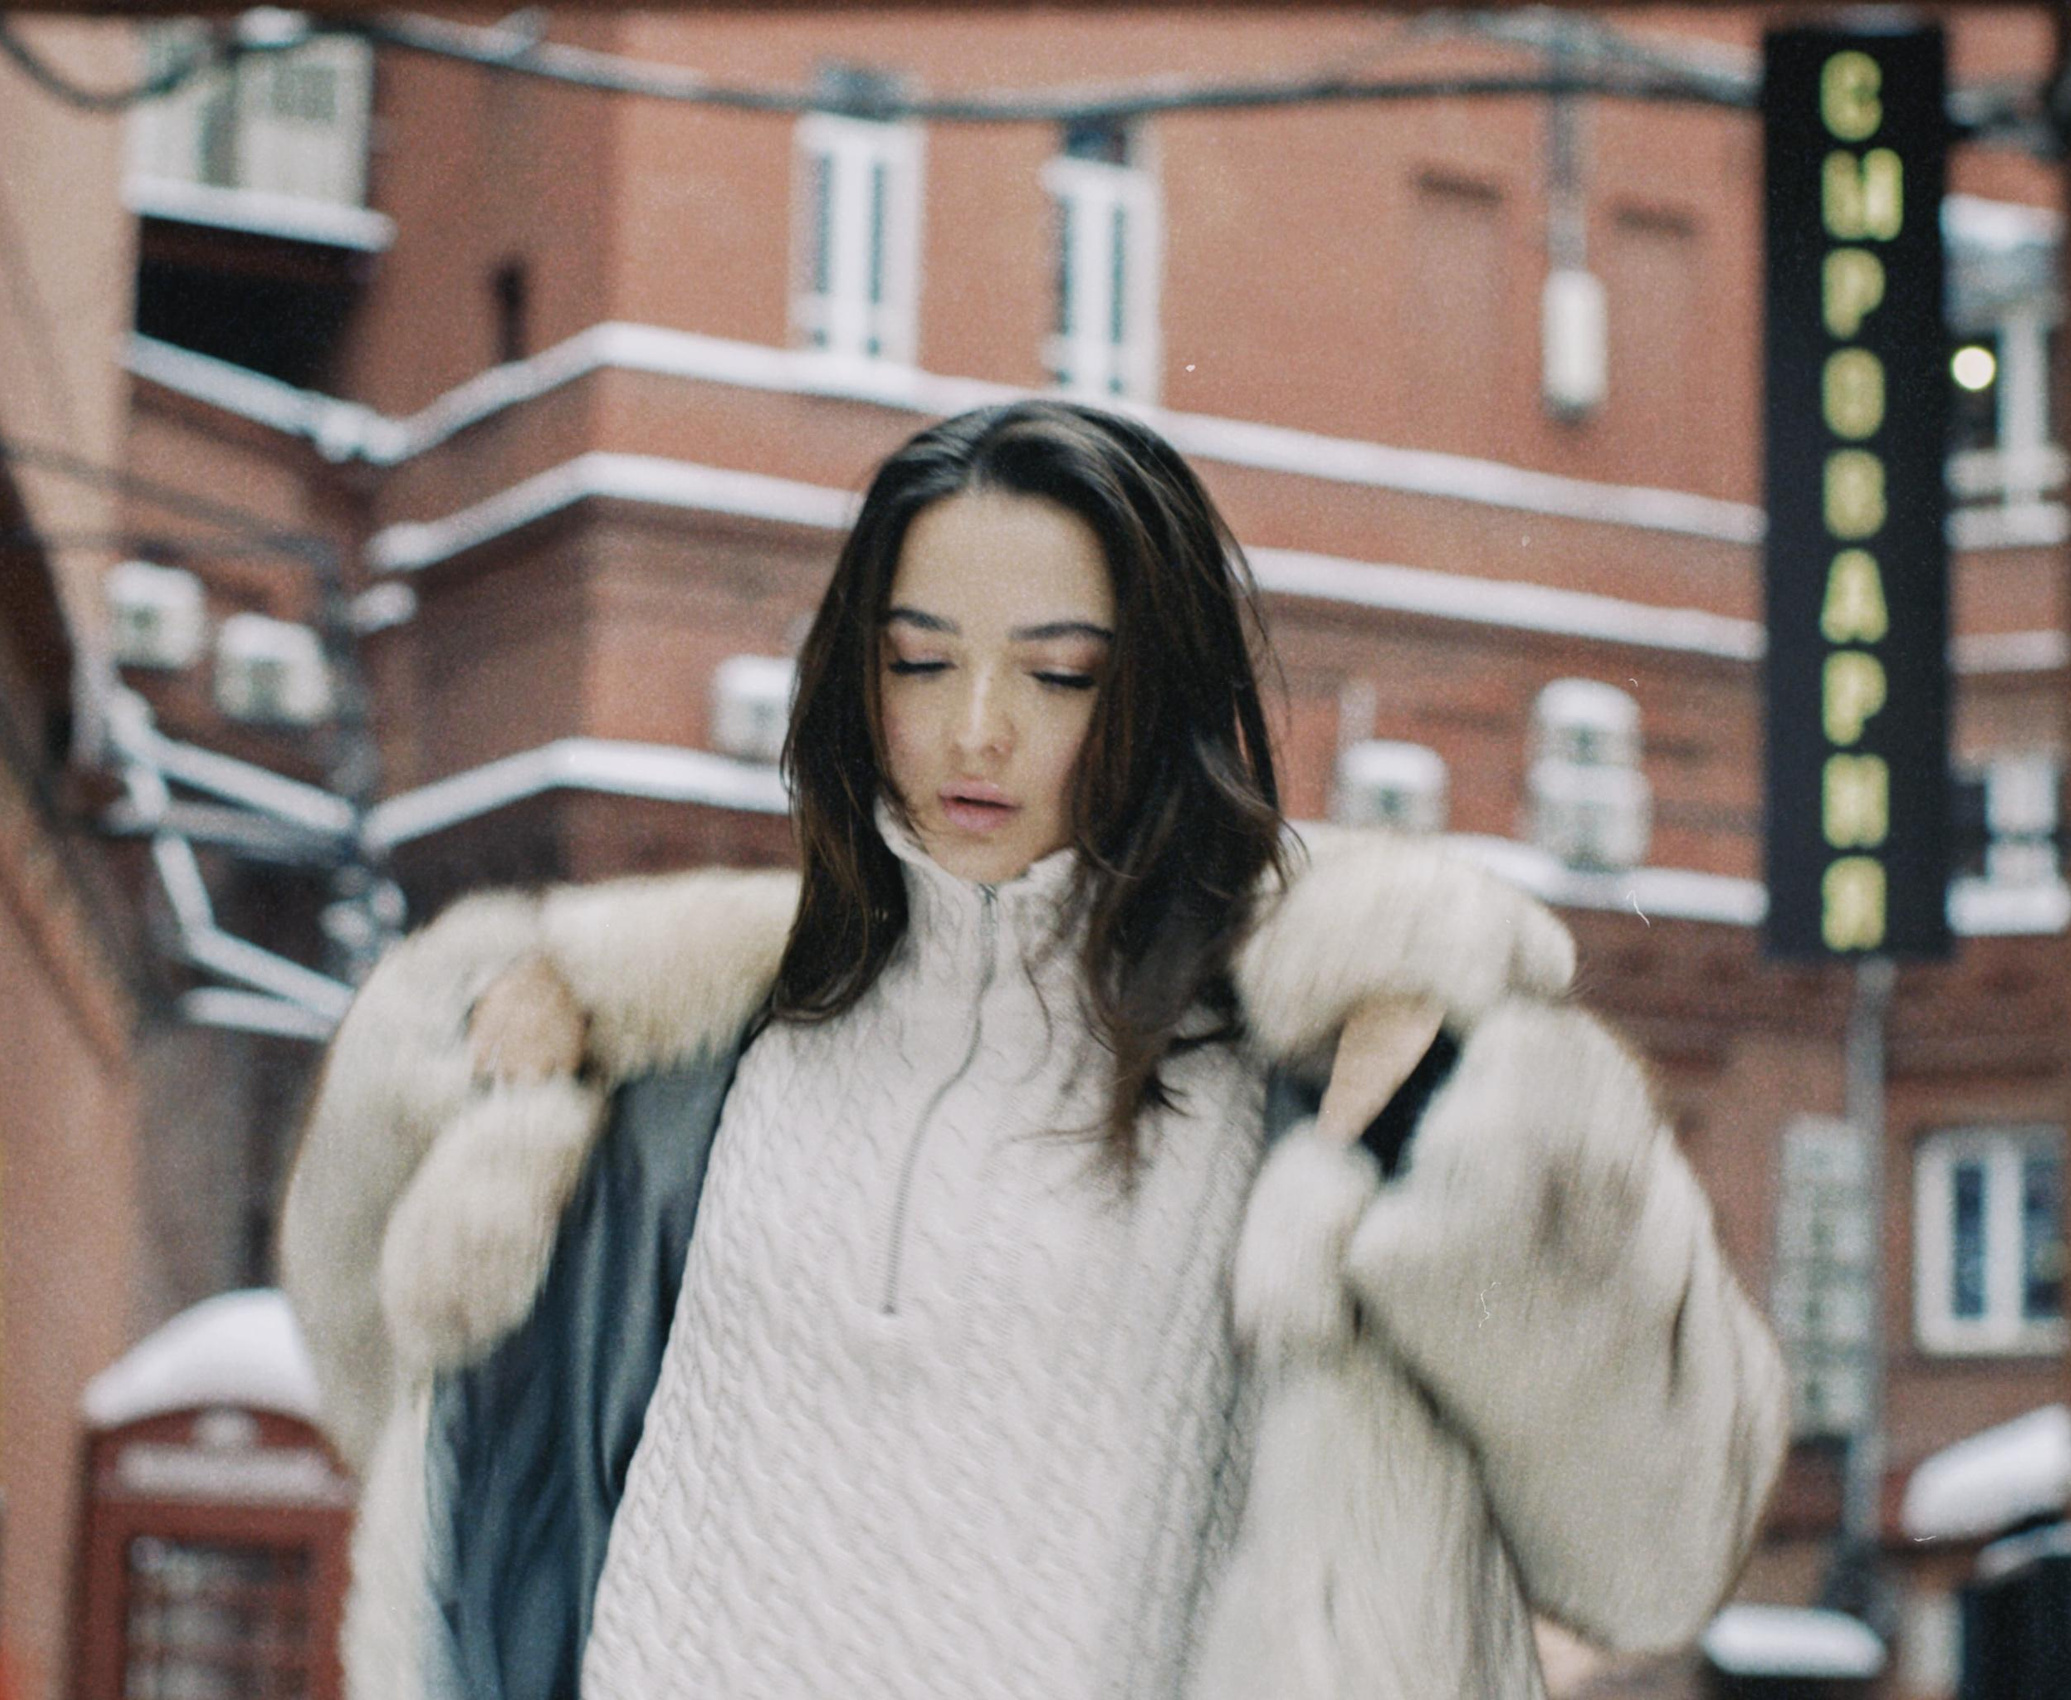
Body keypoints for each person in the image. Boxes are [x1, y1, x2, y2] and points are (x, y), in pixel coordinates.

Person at [280, 400, 1788, 1700]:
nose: (976, 730)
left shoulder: (1314, 1080)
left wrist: (1467, 1119)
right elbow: (409, 1420)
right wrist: (488, 1074)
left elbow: (1656, 1552)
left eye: (1059, 673)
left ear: (1162, 690)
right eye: (920, 663)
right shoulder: (680, 1065)